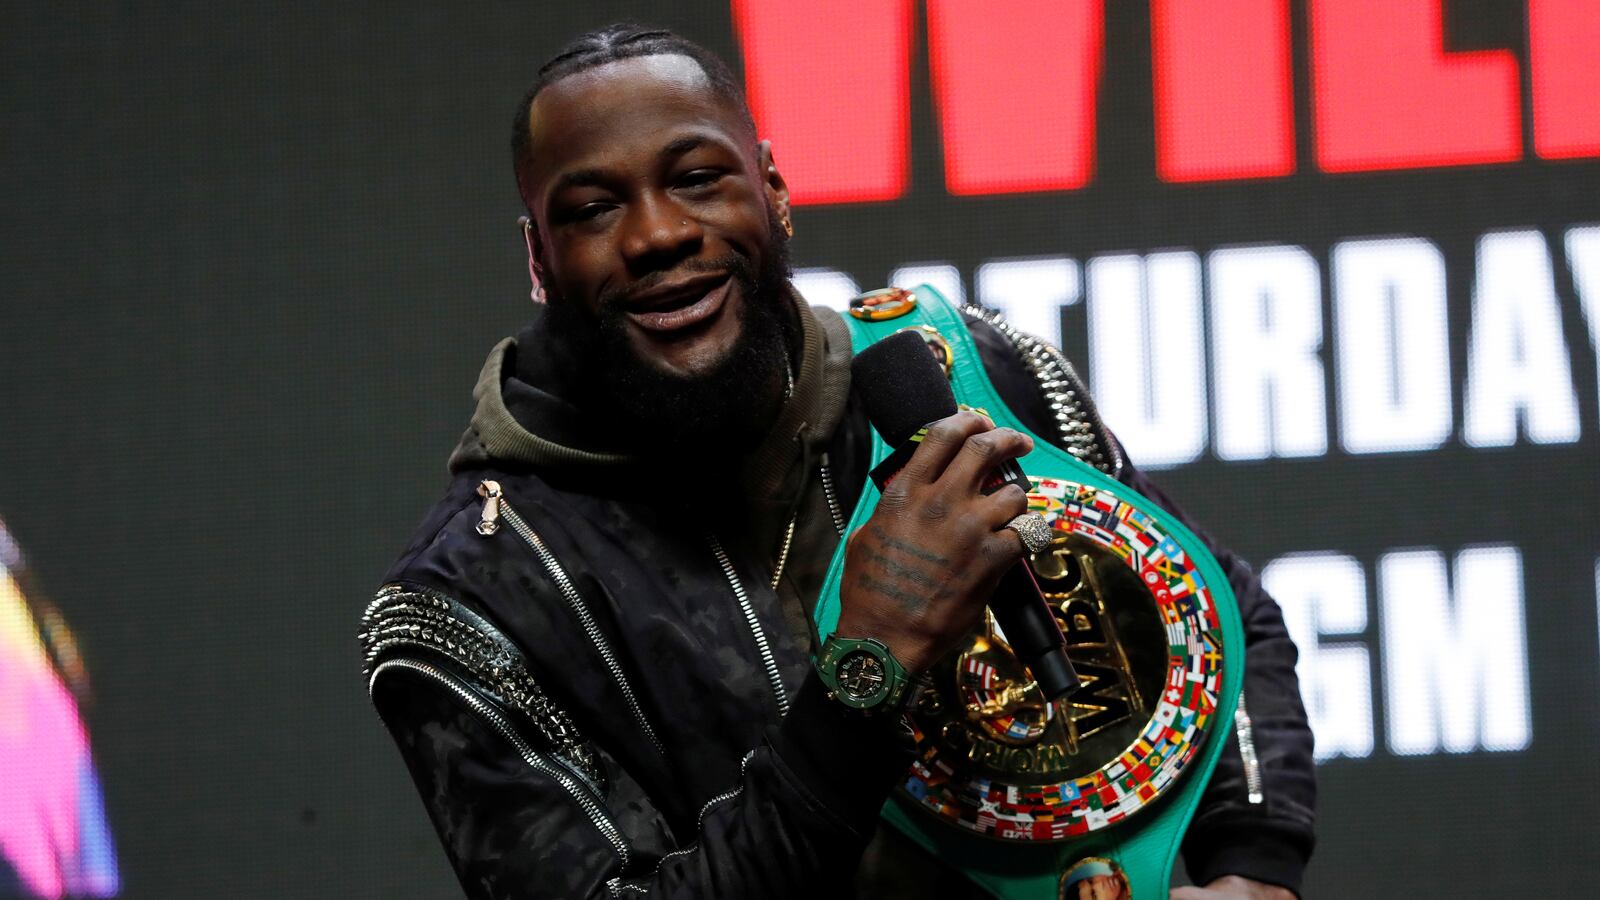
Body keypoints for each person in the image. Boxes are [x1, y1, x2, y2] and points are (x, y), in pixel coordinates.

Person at [360, 25, 1315, 900]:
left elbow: (1215, 612)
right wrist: (871, 663)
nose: (657, 235)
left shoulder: (952, 380)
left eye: (697, 178)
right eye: (594, 209)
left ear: (773, 189)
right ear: (539, 259)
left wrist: (1255, 866)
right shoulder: (472, 598)